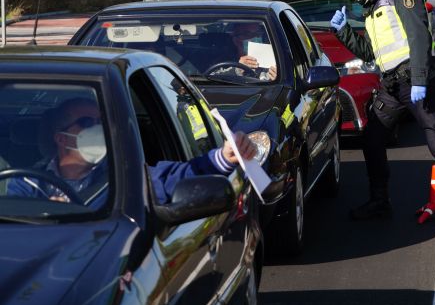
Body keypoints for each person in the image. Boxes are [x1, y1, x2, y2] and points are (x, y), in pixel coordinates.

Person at [331, 0, 435, 224]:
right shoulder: (372, 8)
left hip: (416, 81)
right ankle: (380, 201)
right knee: (372, 138)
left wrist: (419, 79)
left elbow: (420, 36)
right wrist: (344, 31)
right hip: (391, 85)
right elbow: (371, 52)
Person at [7, 97, 256, 207]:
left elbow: (176, 177)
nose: (98, 129)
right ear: (61, 138)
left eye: (102, 121)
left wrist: (224, 157)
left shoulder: (124, 177)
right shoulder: (26, 183)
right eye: (87, 123)